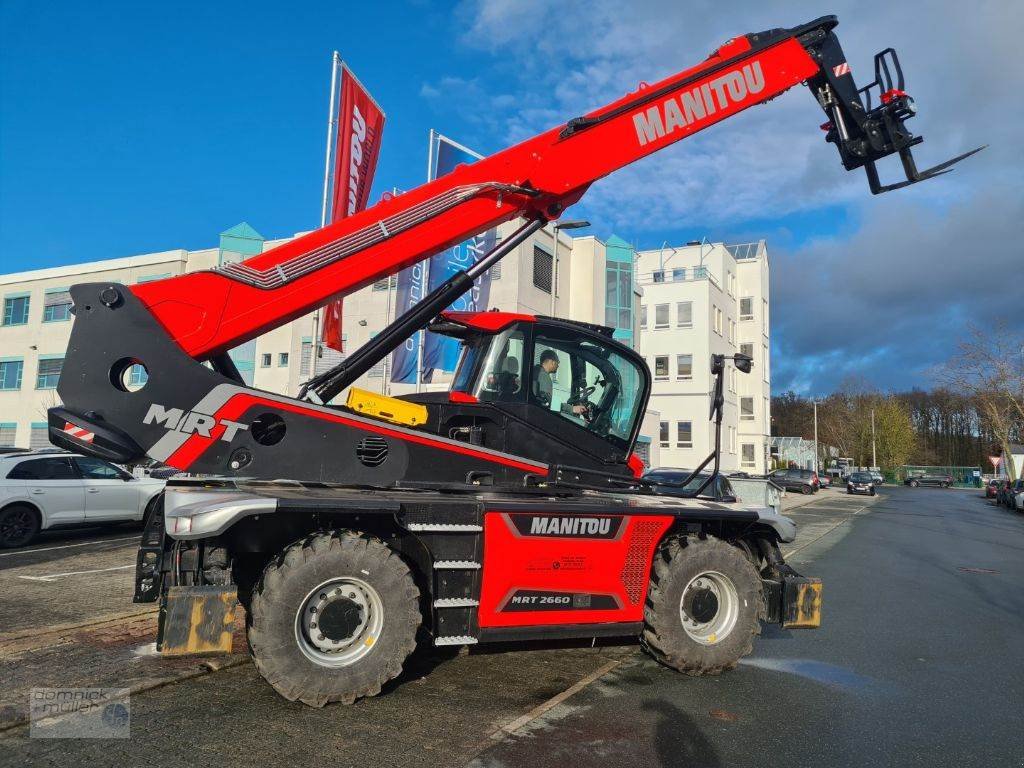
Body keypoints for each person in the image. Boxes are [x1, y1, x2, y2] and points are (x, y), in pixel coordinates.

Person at [531, 349, 587, 416]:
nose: (558, 366)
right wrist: (572, 408)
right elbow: (550, 403)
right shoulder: (544, 377)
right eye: (557, 363)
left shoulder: (534, 371)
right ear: (552, 362)